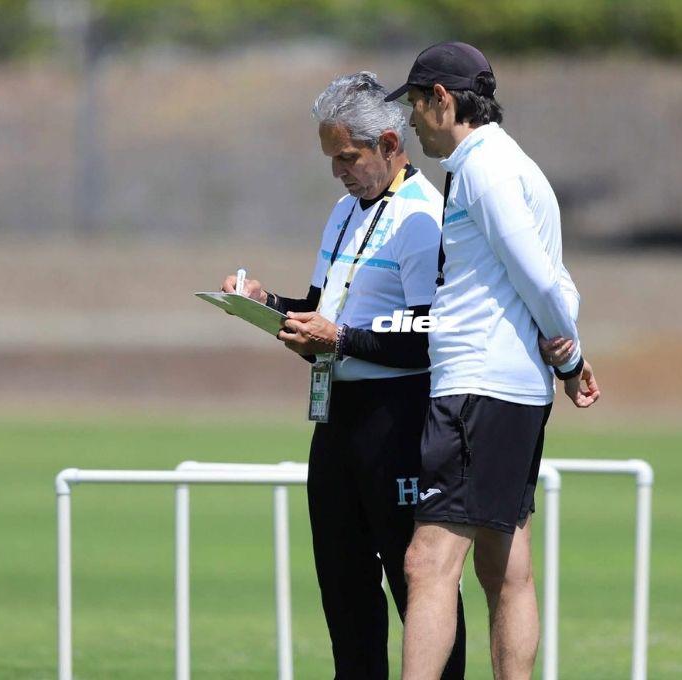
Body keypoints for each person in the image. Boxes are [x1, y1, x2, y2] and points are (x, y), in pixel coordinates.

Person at [221, 72, 466, 679]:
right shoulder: (343, 212)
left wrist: (341, 339)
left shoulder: (422, 216)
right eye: (331, 159)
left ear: (388, 141)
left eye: (347, 158)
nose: (338, 172)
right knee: (343, 584)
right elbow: (325, 307)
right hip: (336, 417)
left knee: (418, 585)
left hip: (400, 417)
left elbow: (427, 333)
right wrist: (268, 303)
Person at [384, 42, 601, 679]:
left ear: (442, 100)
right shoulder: (509, 164)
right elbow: (559, 279)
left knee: (427, 563)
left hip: (478, 389)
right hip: (504, 389)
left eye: (417, 107)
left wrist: (569, 351)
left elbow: (539, 276)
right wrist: (567, 351)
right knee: (505, 568)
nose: (413, 122)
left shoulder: (484, 167)